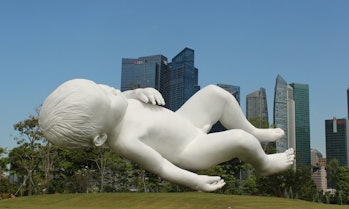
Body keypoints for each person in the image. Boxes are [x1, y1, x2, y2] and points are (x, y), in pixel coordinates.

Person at [39, 79, 294, 192]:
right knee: (240, 140)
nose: (111, 91)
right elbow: (161, 166)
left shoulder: (120, 102)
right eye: (106, 97)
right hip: (191, 148)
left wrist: (140, 92)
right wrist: (195, 181)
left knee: (216, 93)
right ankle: (264, 164)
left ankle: (255, 131)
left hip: (185, 120)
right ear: (100, 138)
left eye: (102, 87)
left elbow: (124, 97)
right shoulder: (125, 141)